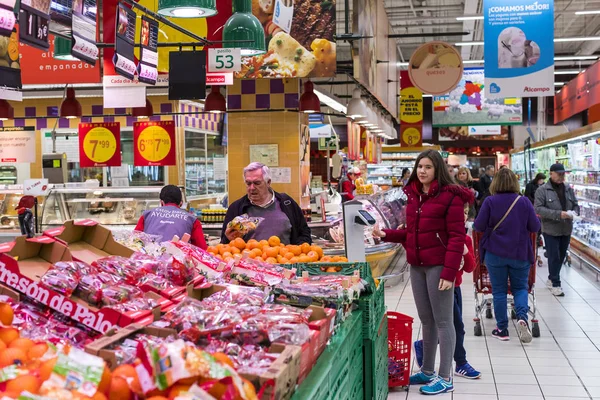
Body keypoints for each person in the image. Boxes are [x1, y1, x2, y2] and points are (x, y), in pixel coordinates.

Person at [373, 150, 473, 395]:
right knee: (426, 320)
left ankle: (445, 376)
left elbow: (457, 237)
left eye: (428, 167)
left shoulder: (451, 197)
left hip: (439, 266)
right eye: (420, 166)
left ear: (437, 169)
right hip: (417, 266)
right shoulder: (414, 196)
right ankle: (427, 370)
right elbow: (411, 234)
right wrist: (387, 234)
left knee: (443, 321)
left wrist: (449, 273)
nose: (422, 171)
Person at [414, 204, 480, 379]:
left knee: (449, 326)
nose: (463, 216)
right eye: (459, 212)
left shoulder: (465, 240)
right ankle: (461, 362)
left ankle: (423, 346)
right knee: (455, 327)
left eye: (465, 213)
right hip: (440, 287)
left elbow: (470, 267)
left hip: (455, 288)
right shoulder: (440, 237)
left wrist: (465, 252)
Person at [473, 168, 540, 342]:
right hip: (520, 254)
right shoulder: (524, 202)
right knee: (520, 288)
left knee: (499, 291)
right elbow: (534, 227)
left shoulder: (489, 201)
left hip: (495, 254)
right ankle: (522, 318)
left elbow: (478, 226)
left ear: (495, 183)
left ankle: (502, 329)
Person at [222, 162, 311, 245]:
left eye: (257, 183)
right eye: (248, 183)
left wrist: (296, 252)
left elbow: (304, 234)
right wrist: (228, 239)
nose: (252, 188)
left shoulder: (287, 203)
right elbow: (224, 245)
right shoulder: (236, 208)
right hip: (249, 261)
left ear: (268, 182)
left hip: (284, 259)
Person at [534, 163, 579, 297]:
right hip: (550, 229)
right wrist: (558, 214)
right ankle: (556, 284)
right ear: (551, 173)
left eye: (563, 174)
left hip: (566, 228)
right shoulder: (542, 190)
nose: (561, 177)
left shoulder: (568, 189)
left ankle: (551, 277)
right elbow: (538, 209)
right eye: (558, 174)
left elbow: (575, 204)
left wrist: (574, 212)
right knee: (554, 256)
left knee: (561, 255)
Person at [135, 185, 207, 249]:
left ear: (161, 202)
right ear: (181, 203)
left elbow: (134, 241)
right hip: (178, 262)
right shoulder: (192, 220)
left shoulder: (146, 215)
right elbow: (202, 249)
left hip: (149, 261)